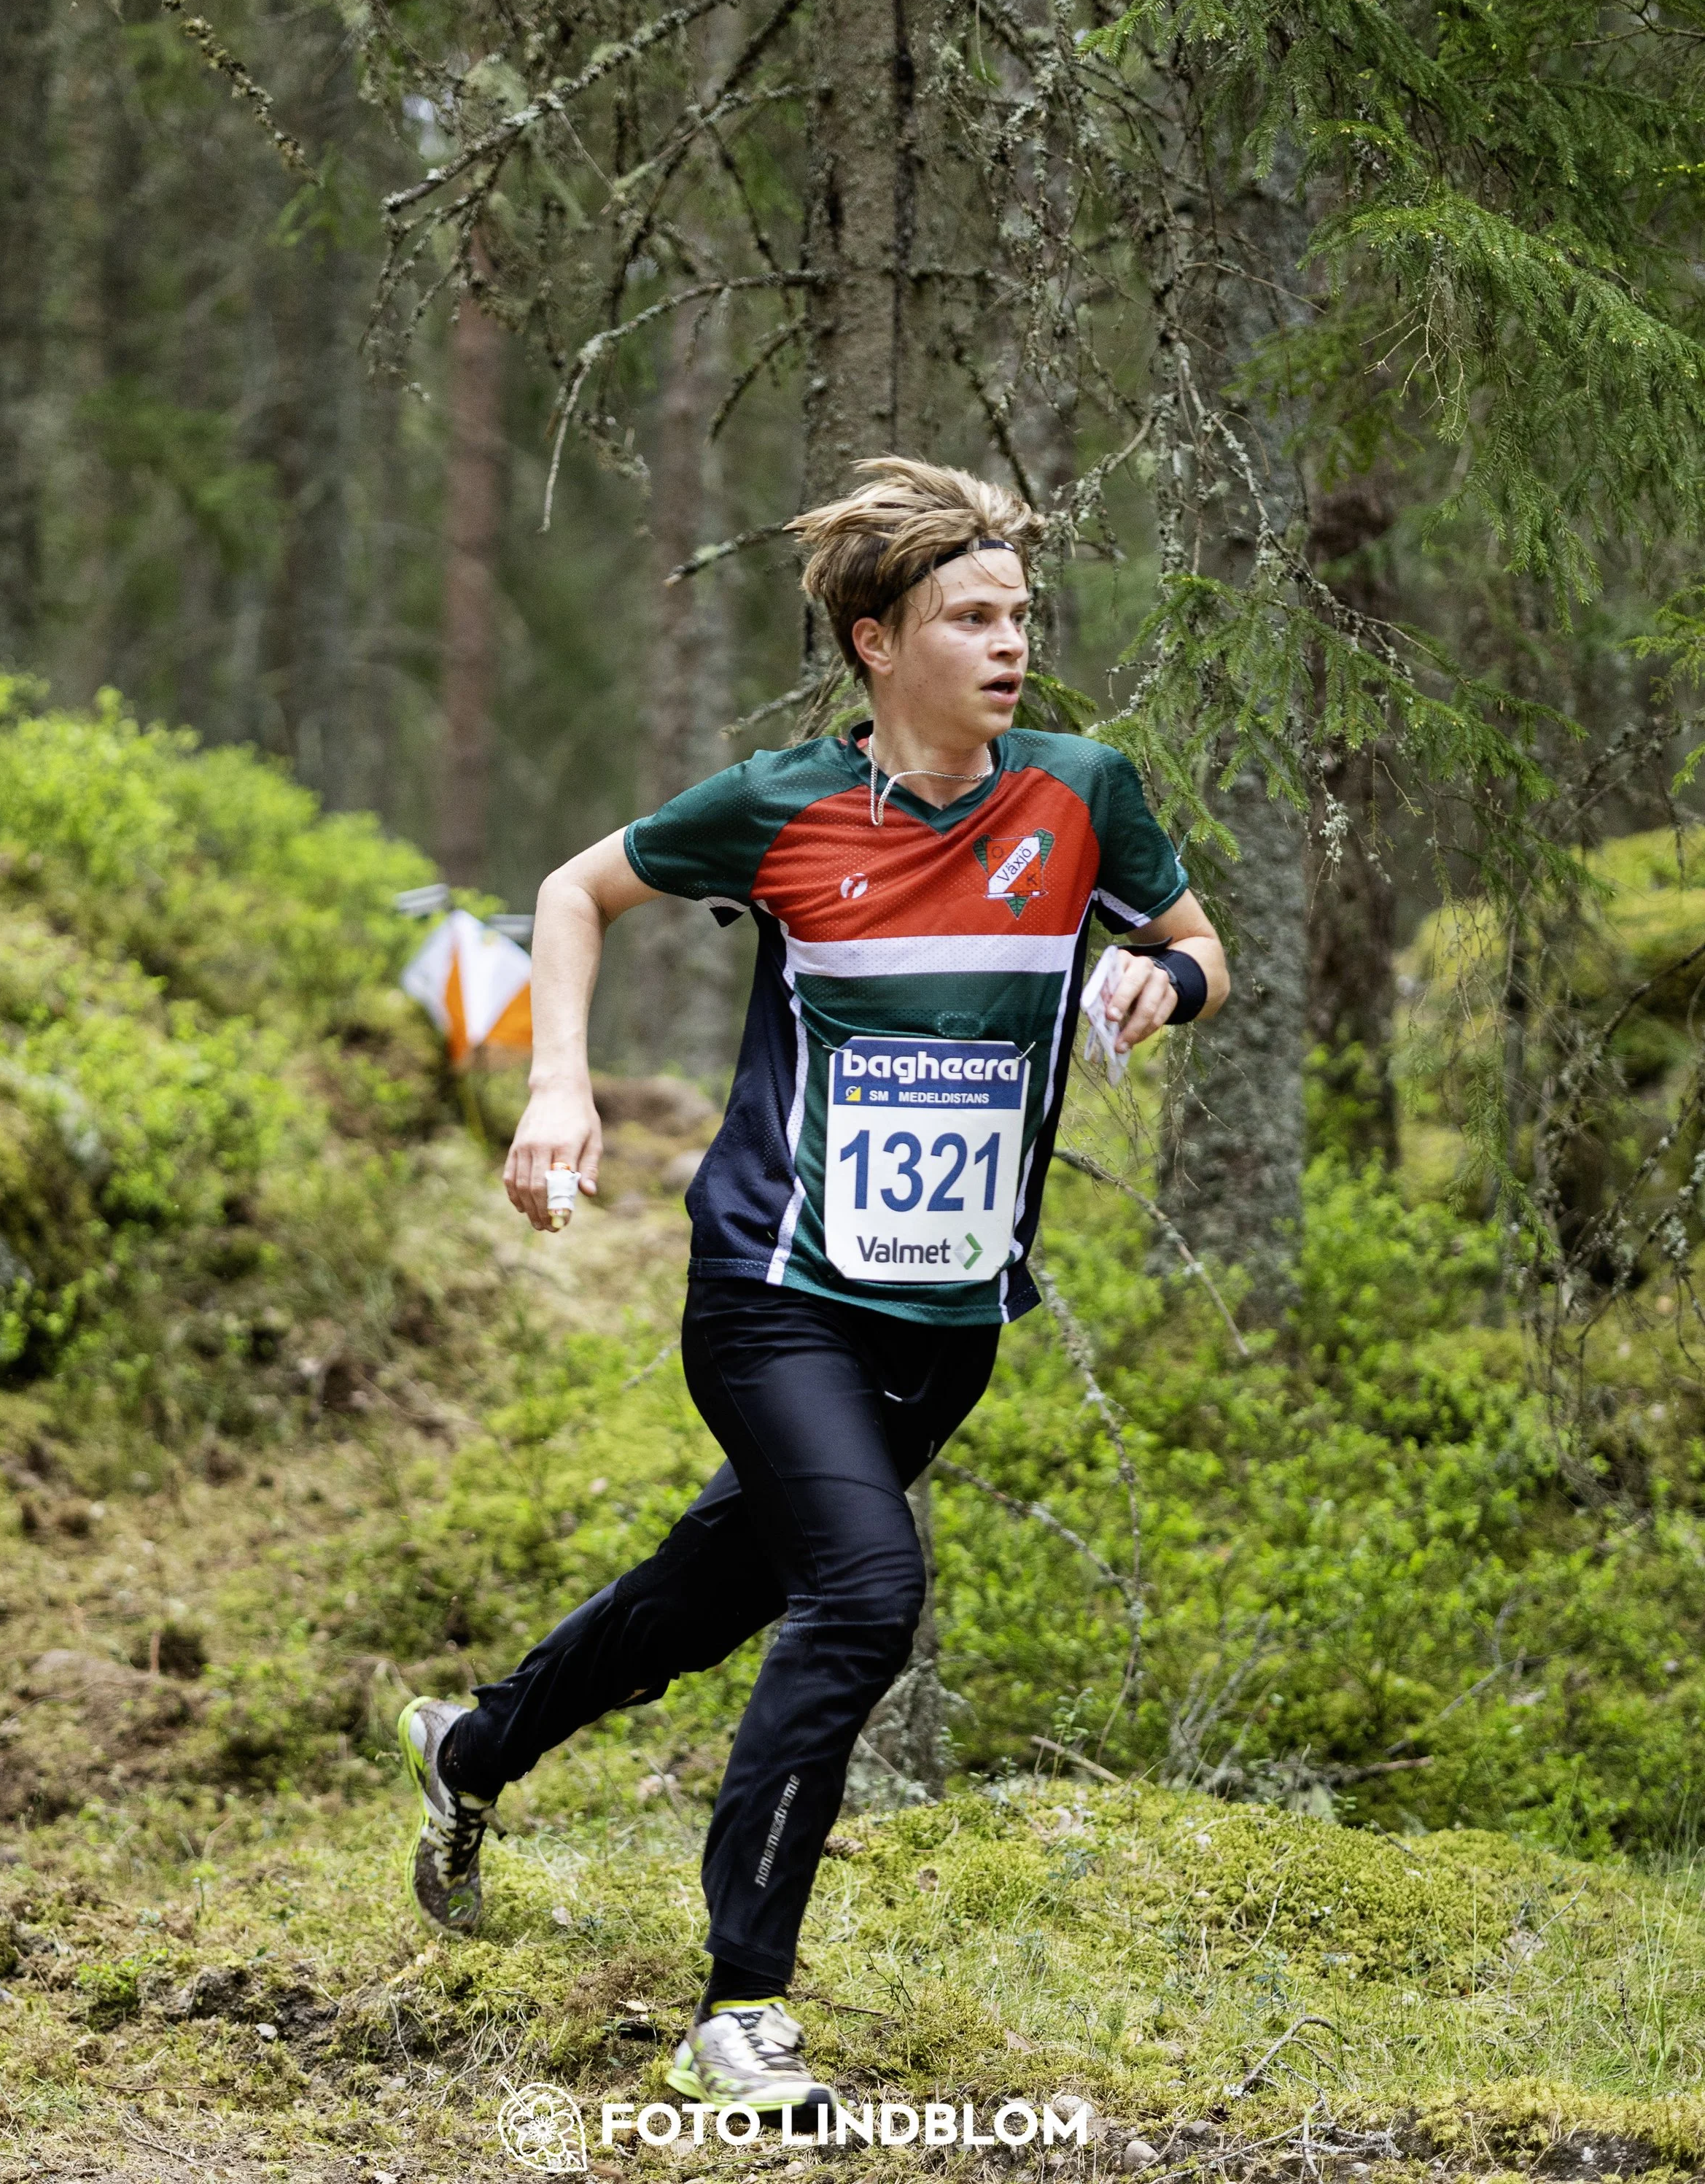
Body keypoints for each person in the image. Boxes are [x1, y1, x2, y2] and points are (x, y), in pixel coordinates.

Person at [395, 458, 1230, 2119]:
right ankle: (739, 2005)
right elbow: (572, 891)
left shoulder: (1079, 793)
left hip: (951, 1317)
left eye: (1018, 615)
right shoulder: (781, 806)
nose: (1010, 645)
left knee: (708, 1593)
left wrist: (1157, 979)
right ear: (874, 640)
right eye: (970, 617)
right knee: (859, 1586)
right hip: (773, 1282)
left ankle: (470, 1750)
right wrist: (555, 1085)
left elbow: (1203, 945)